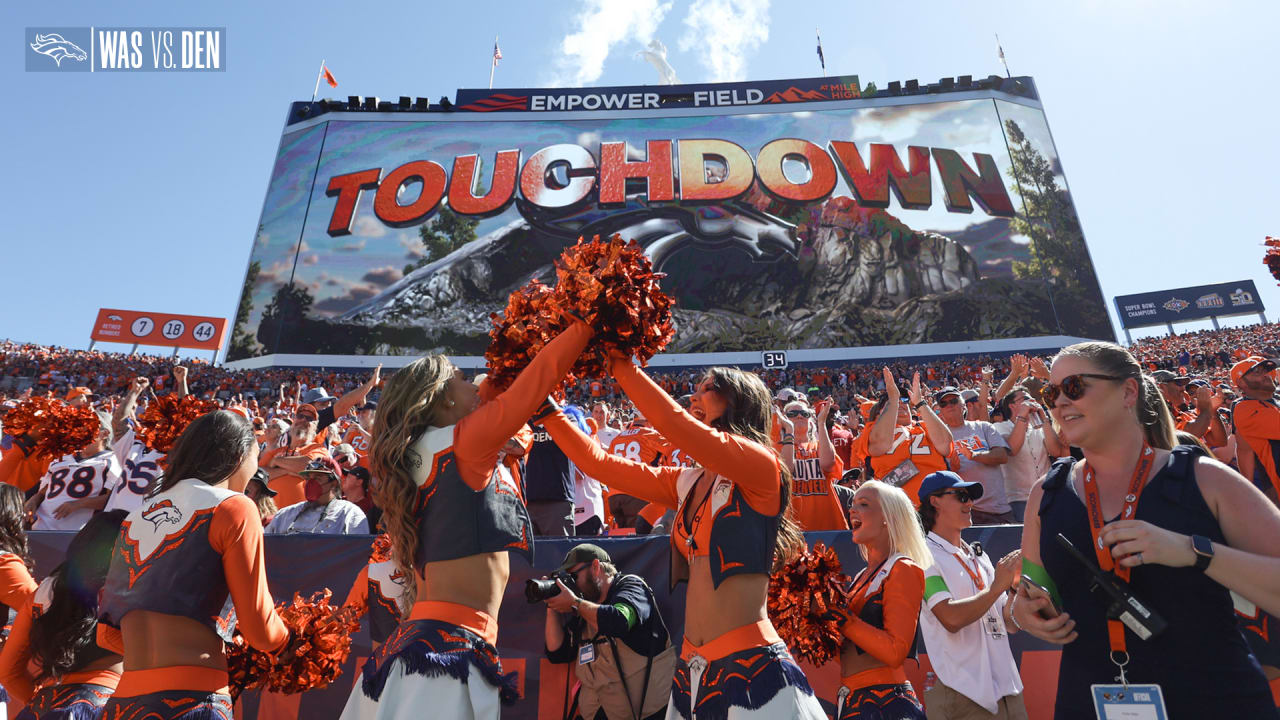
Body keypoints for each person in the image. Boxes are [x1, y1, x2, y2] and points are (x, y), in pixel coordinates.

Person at [539, 360, 826, 719]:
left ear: (738, 402)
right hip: (694, 670)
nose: (694, 395)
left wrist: (621, 365)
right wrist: (547, 412)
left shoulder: (762, 467)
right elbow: (598, 463)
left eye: (708, 389)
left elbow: (674, 425)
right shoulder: (688, 481)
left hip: (751, 666)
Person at [1013, 341, 1280, 719]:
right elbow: (1033, 591)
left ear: (1128, 391)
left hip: (1216, 700)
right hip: (1090, 700)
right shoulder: (1046, 493)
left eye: (1073, 387)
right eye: (1050, 392)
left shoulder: (1204, 478)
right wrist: (1022, 611)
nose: (1058, 402)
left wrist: (1194, 552)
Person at [340, 321, 591, 720]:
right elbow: (536, 383)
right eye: (460, 379)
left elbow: (496, 394)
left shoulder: (429, 448)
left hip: (432, 645)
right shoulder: (464, 443)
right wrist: (586, 322)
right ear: (441, 401)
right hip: (442, 655)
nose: (474, 386)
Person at [97, 410, 289, 720]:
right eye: (256, 460)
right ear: (240, 455)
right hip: (191, 701)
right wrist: (291, 644)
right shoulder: (234, 507)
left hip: (123, 702)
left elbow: (107, 634)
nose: (254, 472)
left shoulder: (132, 519)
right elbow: (260, 630)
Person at [916, 472, 1026, 720]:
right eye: (962, 496)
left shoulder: (979, 556)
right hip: (964, 694)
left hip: (1009, 690)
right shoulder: (922, 557)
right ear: (935, 501)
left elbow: (1008, 622)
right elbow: (950, 618)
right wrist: (997, 587)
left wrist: (1017, 589)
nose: (970, 504)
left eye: (970, 498)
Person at [0, 511, 127, 719]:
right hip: (110, 705)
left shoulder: (45, 590)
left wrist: (40, 706)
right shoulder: (134, 588)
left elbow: (8, 671)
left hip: (44, 704)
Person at [830, 480, 931, 720]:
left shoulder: (903, 568)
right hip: (852, 699)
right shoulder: (858, 578)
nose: (852, 510)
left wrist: (842, 619)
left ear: (888, 517)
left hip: (887, 703)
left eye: (863, 504)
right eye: (852, 504)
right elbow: (847, 651)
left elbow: (895, 652)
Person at [543, 544, 675, 720]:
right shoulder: (585, 604)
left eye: (574, 576)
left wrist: (575, 603)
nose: (572, 584)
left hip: (646, 712)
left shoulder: (631, 587)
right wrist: (551, 606)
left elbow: (620, 621)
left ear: (596, 567)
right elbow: (557, 653)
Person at [866, 370, 952, 505]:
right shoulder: (870, 431)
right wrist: (893, 400)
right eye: (892, 401)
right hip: (894, 509)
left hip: (935, 508)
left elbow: (945, 445)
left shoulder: (925, 426)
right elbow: (879, 444)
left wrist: (920, 402)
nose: (900, 402)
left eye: (904, 399)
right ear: (879, 413)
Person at [932, 387, 1013, 525]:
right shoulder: (938, 438)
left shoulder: (983, 427)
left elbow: (1002, 456)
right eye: (944, 404)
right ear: (939, 411)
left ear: (963, 404)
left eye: (953, 401)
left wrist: (974, 455)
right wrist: (953, 470)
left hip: (1001, 508)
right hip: (968, 511)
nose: (949, 405)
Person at [29, 411, 121, 532]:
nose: (80, 432)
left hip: (77, 533)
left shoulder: (113, 460)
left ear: (104, 434)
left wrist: (79, 504)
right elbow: (42, 493)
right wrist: (32, 501)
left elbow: (113, 499)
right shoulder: (61, 458)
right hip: (40, 528)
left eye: (87, 428)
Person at [992, 387, 1067, 522]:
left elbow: (1056, 451)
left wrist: (1044, 420)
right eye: (1025, 399)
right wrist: (1022, 416)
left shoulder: (1038, 427)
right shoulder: (1000, 427)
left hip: (1047, 493)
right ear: (1012, 405)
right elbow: (1012, 449)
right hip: (1019, 498)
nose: (1031, 401)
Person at [779, 399, 847, 531]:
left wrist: (821, 423)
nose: (799, 416)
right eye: (793, 413)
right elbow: (787, 470)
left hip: (828, 524)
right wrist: (789, 430)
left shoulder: (820, 445)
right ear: (783, 419)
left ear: (810, 421)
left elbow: (828, 464)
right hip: (793, 527)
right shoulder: (778, 447)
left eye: (804, 414)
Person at [265, 456, 369, 535]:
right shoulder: (285, 514)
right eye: (308, 478)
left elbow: (358, 554)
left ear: (334, 483)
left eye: (318, 478)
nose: (311, 483)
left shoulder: (349, 513)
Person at [1229, 356, 1280, 498]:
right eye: (1257, 372)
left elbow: (1244, 450)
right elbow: (1244, 450)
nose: (1266, 375)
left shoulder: (1274, 402)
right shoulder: (1245, 408)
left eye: (1266, 370)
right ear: (1241, 382)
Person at [258, 415, 331, 507]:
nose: (303, 420)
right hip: (271, 512)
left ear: (314, 430)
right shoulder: (276, 452)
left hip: (302, 514)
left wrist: (276, 461)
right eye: (300, 418)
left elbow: (308, 466)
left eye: (309, 419)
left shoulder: (318, 449)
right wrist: (286, 471)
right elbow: (260, 475)